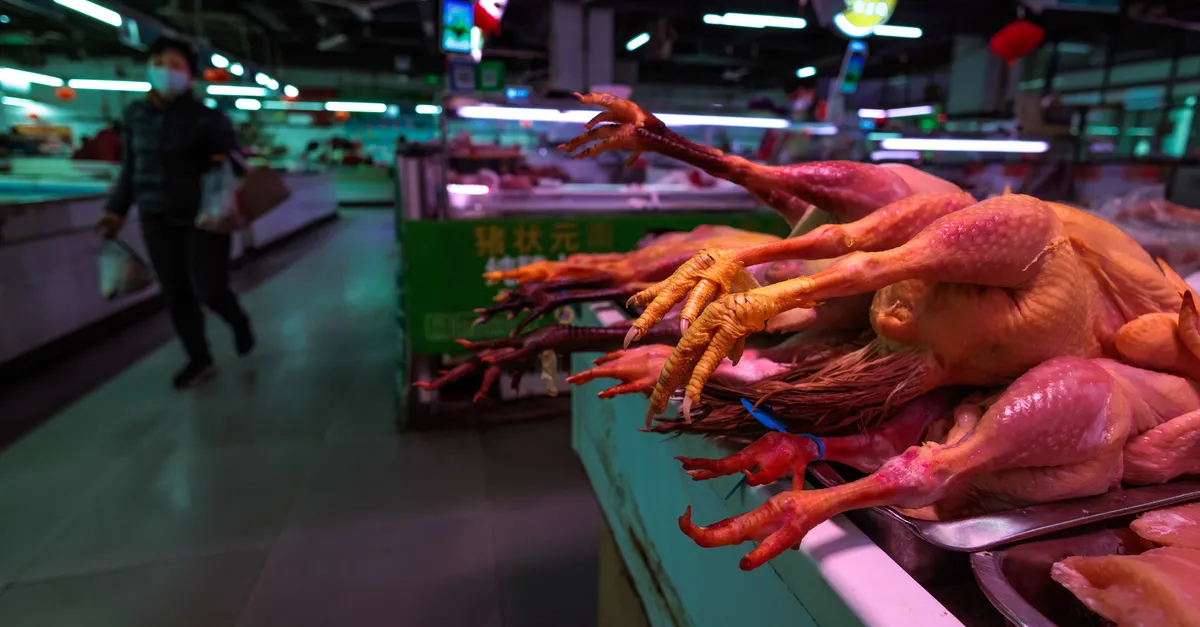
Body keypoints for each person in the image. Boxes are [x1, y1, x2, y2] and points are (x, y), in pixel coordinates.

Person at [96, 36, 255, 389]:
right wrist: (115, 210)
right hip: (156, 216)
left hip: (205, 216)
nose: (165, 71)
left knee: (210, 288)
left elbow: (236, 165)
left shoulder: (209, 119)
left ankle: (237, 319)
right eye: (158, 64)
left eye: (175, 65)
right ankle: (198, 359)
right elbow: (130, 169)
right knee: (176, 292)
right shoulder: (135, 116)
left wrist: (219, 158)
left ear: (190, 76)